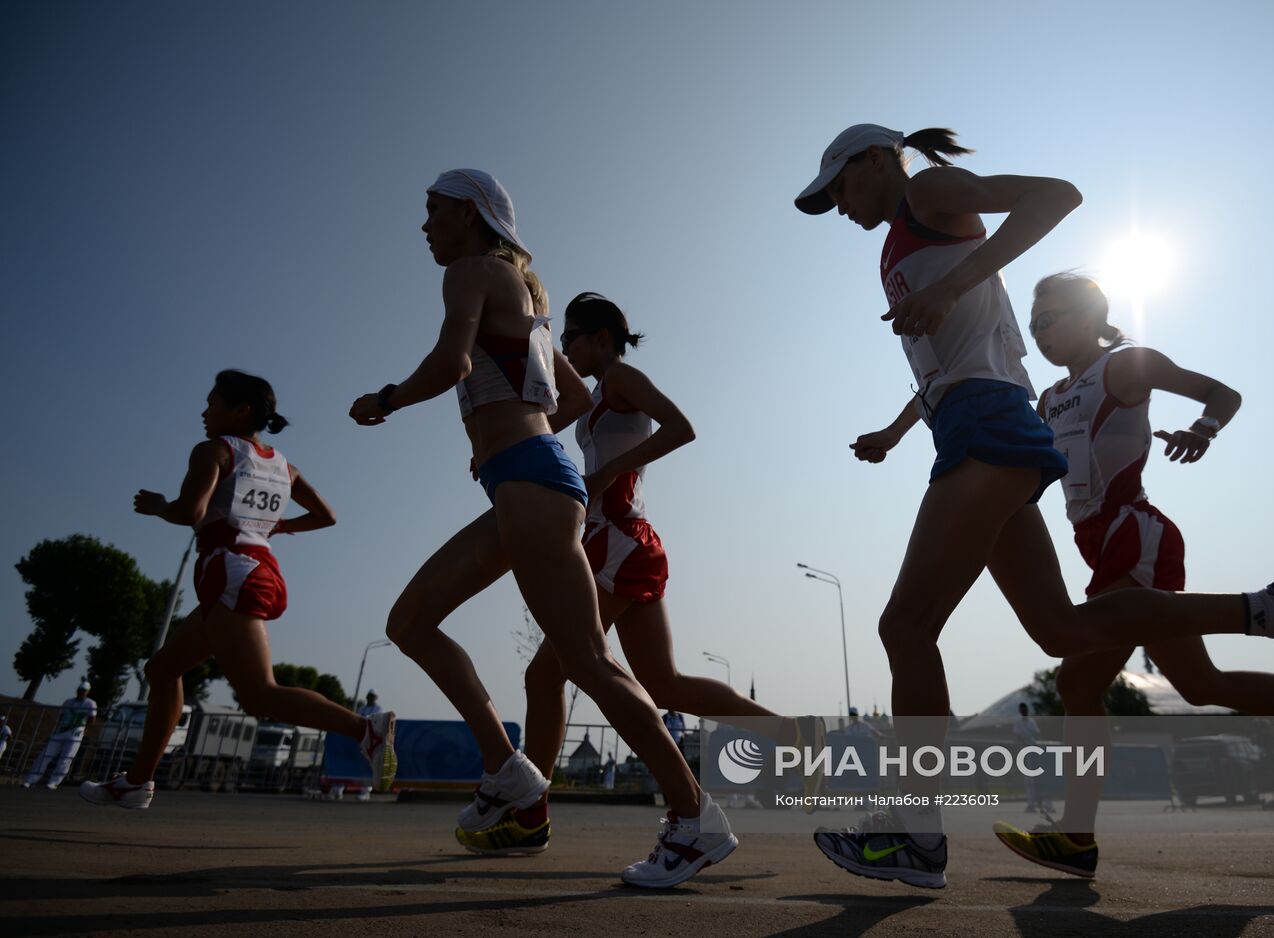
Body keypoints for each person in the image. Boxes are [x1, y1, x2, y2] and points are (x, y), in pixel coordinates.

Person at [793, 123, 1274, 890]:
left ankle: (916, 830)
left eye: (840, 185)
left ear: (878, 160)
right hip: (977, 422)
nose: (838, 204)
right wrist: (896, 428)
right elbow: (967, 353)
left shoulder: (927, 195)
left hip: (991, 429)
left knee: (905, 626)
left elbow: (1056, 198)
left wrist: (945, 285)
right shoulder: (903, 241)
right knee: (1062, 635)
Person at [348, 170, 735, 887]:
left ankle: (693, 817)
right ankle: (512, 774)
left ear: (469, 213)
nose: (424, 226)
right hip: (524, 481)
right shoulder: (525, 296)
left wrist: (388, 399)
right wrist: (513, 440)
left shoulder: (471, 270)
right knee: (410, 621)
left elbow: (452, 360)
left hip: (531, 484)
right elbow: (578, 394)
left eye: (432, 211)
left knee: (587, 660)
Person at [993, 273, 1274, 877]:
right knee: (1203, 684)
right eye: (1035, 324)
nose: (1043, 333)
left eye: (1053, 317)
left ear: (1090, 312)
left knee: (1078, 684)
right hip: (1096, 545)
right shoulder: (1048, 399)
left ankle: (1076, 837)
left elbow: (1222, 394)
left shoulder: (1126, 365)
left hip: (1136, 533)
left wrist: (1201, 432)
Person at [458, 292, 823, 856]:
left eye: (573, 337)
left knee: (546, 674)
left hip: (621, 538)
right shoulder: (597, 393)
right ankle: (791, 736)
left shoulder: (624, 378)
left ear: (602, 338)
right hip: (621, 541)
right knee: (664, 684)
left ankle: (533, 809)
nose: (565, 348)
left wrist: (607, 475)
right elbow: (552, 419)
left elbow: (682, 427)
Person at [80, 370, 396, 810]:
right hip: (253, 567)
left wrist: (157, 507)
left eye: (213, 403)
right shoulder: (283, 465)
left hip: (231, 570)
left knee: (258, 695)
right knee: (162, 670)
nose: (204, 412)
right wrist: (276, 526)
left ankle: (366, 731)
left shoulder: (214, 450)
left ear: (240, 410)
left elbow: (192, 512)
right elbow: (326, 515)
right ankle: (137, 782)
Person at [23, 679, 97, 789]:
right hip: (61, 731)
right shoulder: (68, 701)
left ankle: (53, 782)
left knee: (66, 758)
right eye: (80, 690)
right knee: (45, 754)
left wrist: (85, 730)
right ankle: (31, 779)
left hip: (75, 732)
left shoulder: (90, 703)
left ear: (87, 692)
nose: (81, 692)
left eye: (84, 691)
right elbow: (62, 715)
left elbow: (92, 719)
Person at [1010, 702, 1049, 814]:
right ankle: (1031, 804)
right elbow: (1017, 736)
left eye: (1025, 709)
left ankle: (1045, 804)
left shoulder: (1032, 722)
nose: (1024, 711)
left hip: (1035, 750)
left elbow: (1037, 734)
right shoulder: (1018, 723)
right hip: (1025, 751)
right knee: (1029, 779)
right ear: (1020, 711)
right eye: (1022, 710)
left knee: (1040, 777)